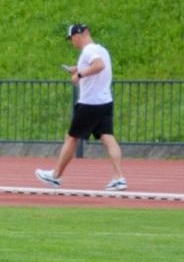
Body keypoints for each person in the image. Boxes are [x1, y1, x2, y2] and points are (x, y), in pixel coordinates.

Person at [35, 23, 127, 191]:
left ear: (78, 36)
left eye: (71, 39)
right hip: (105, 101)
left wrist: (79, 74)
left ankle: (55, 176)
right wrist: (79, 68)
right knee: (108, 138)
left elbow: (99, 65)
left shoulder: (89, 50)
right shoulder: (102, 50)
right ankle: (119, 177)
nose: (72, 42)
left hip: (90, 103)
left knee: (71, 138)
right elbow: (99, 68)